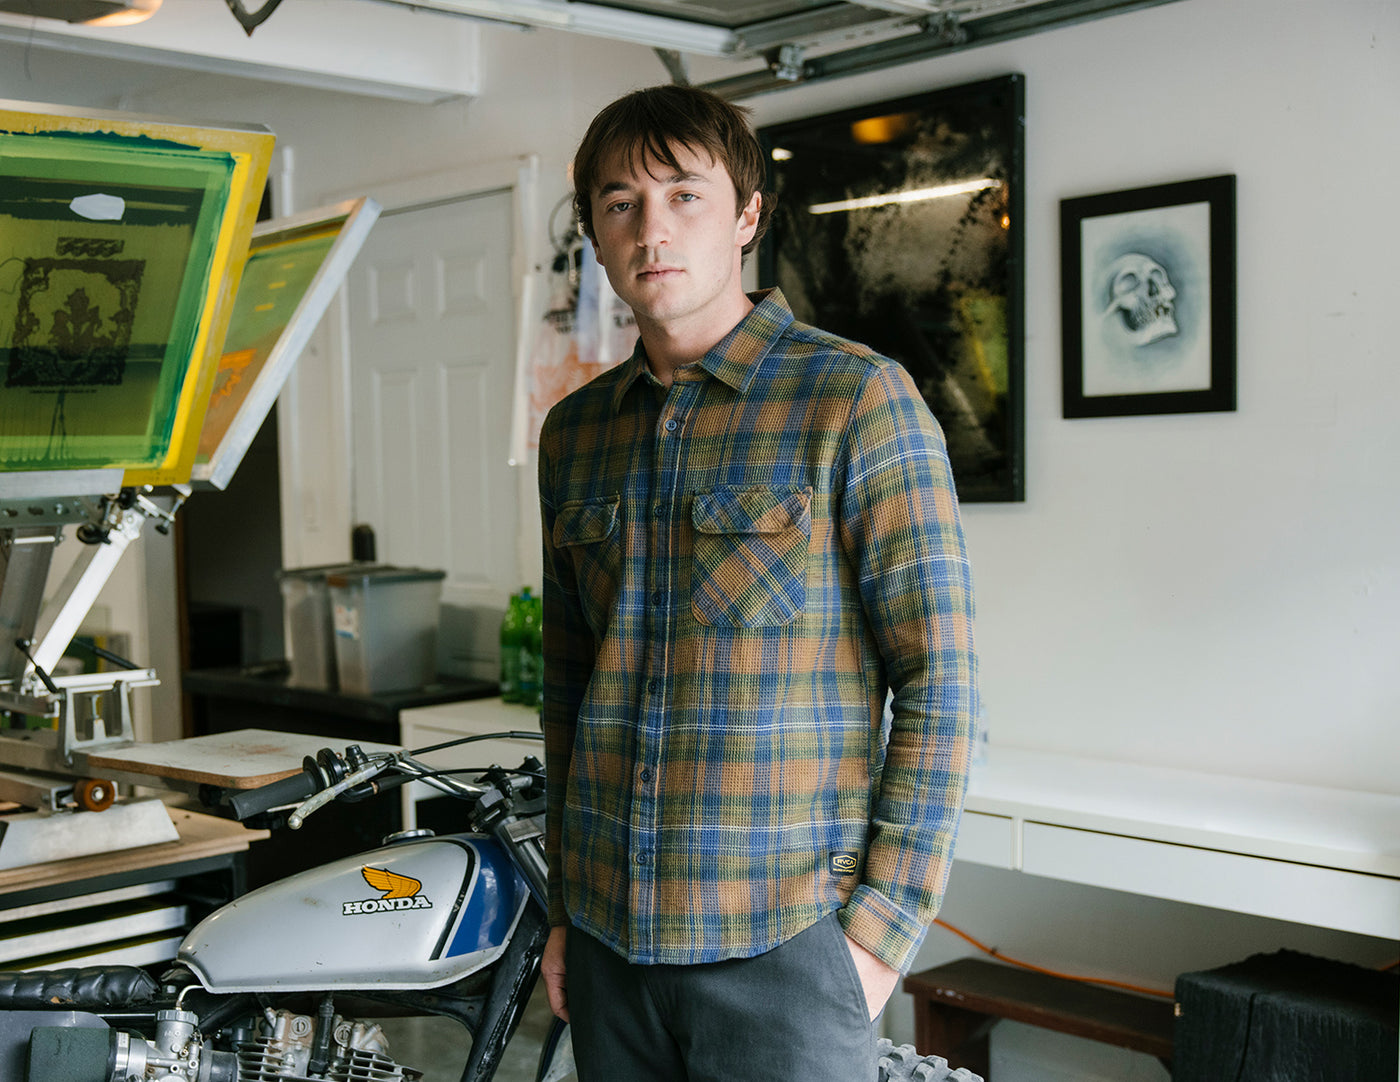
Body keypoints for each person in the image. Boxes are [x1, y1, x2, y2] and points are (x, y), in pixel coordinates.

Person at [536, 83, 978, 1082]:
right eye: (618, 204)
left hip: (785, 943)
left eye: (682, 195)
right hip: (610, 943)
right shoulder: (574, 433)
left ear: (744, 215)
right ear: (598, 240)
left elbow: (940, 678)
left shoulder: (856, 397)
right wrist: (566, 910)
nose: (650, 229)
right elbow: (566, 689)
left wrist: (875, 936)